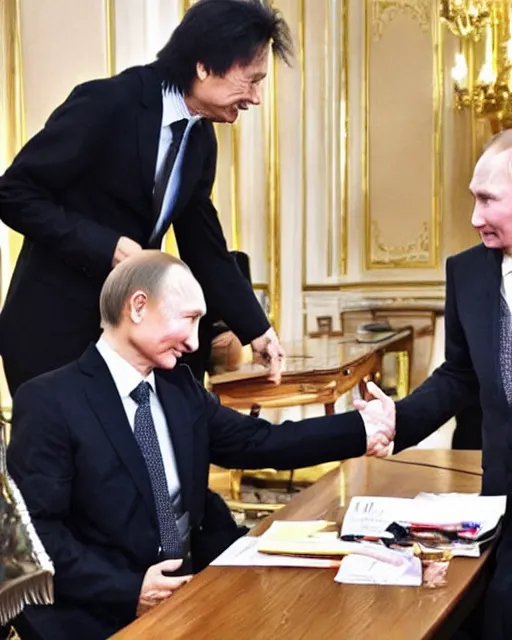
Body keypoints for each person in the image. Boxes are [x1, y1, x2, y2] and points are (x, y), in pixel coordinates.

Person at [7, 251, 394, 640]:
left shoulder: (180, 389)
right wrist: (129, 589)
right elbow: (37, 534)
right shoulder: (50, 401)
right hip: (98, 615)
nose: (194, 342)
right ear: (138, 307)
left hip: (195, 594)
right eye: (188, 319)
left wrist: (361, 427)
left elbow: (259, 442)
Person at [0, 0, 292, 396]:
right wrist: (108, 248)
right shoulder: (108, 103)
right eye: (251, 80)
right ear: (204, 66)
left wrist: (257, 330)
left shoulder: (200, 139)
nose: (256, 97)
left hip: (126, 343)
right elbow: (13, 193)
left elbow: (205, 248)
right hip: (53, 337)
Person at [359, 130, 512, 640]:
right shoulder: (467, 272)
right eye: (473, 197)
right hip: (502, 498)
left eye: (488, 199)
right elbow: (460, 373)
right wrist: (398, 419)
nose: (473, 217)